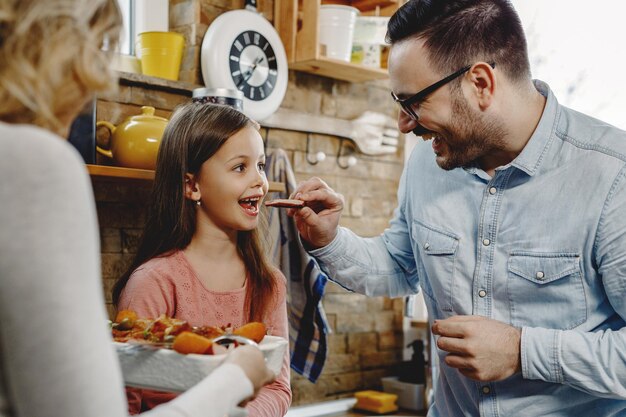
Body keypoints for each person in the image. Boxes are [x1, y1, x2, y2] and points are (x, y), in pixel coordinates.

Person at [288, 1, 626, 416]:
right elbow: (399, 266)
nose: (404, 124)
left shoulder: (613, 178)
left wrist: (523, 350)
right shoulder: (428, 162)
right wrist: (329, 240)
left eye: (413, 102)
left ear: (480, 83)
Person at [0, 1, 275, 416]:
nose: (93, 87)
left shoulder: (265, 280)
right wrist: (234, 380)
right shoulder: (29, 162)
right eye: (95, 54)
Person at [112, 102, 291, 416]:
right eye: (240, 167)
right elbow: (124, 401)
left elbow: (277, 387)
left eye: (260, 165)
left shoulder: (269, 283)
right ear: (192, 185)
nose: (260, 182)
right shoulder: (153, 282)